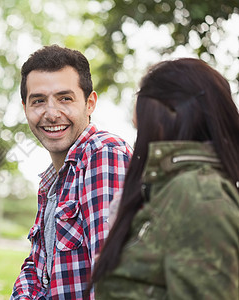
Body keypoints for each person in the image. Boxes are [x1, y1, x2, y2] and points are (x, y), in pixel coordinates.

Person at [91, 58, 239, 299]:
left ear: (168, 119)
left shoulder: (197, 194)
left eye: (142, 128)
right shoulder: (172, 191)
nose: (140, 140)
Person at [10, 45, 133, 299]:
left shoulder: (103, 155)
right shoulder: (52, 181)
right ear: (25, 108)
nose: (51, 113)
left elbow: (113, 279)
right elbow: (37, 268)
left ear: (90, 103)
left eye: (65, 98)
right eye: (39, 101)